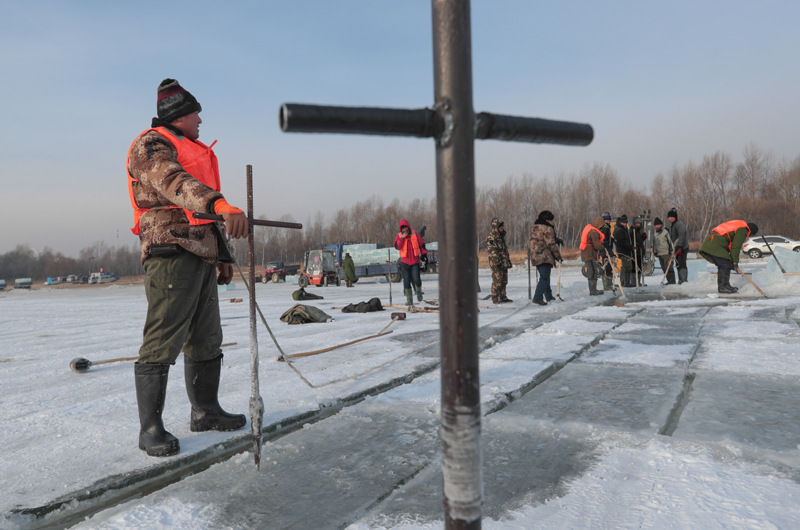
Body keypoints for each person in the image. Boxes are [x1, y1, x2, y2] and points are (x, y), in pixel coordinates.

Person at [127, 79, 249, 457]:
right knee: (163, 338)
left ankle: (206, 410)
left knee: (207, 336)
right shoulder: (151, 145)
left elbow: (203, 213)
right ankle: (150, 429)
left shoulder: (190, 146)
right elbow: (175, 183)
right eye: (196, 112)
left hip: (200, 252)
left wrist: (223, 256)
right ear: (179, 115)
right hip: (171, 249)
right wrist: (220, 203)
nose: (200, 119)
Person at [699, 220, 758, 293]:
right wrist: (735, 261)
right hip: (715, 245)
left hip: (712, 243)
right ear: (751, 232)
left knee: (726, 263)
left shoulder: (740, 225)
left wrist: (732, 262)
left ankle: (726, 285)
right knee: (725, 264)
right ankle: (723, 287)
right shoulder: (743, 230)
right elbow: (736, 246)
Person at [528, 210, 561, 305]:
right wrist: (557, 256)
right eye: (549, 220)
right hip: (544, 256)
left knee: (544, 277)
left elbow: (541, 239)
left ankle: (549, 297)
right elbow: (550, 243)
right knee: (545, 278)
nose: (550, 222)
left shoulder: (535, 228)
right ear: (546, 219)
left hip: (535, 256)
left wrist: (556, 239)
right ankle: (537, 297)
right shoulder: (547, 228)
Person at [394, 219, 427, 305]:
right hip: (404, 263)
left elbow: (422, 245)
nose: (404, 230)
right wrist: (402, 238)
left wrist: (424, 255)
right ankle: (409, 300)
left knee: (417, 280)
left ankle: (419, 293)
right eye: (403, 229)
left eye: (406, 228)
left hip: (414, 262)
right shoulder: (399, 237)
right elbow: (397, 246)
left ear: (408, 228)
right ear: (401, 229)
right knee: (406, 281)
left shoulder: (414, 234)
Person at [487, 217, 513, 304]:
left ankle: (503, 297)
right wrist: (497, 262)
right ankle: (495, 298)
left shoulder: (501, 237)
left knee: (504, 280)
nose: (502, 229)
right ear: (496, 228)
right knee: (497, 280)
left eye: (502, 227)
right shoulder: (492, 238)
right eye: (500, 227)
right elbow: (492, 251)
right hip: (496, 263)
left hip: (503, 262)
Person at [581, 217, 606, 296]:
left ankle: (593, 289)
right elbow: (597, 246)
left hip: (587, 253)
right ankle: (592, 291)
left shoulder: (590, 229)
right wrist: (603, 246)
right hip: (589, 254)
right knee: (592, 271)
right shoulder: (594, 232)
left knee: (593, 270)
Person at [666, 208, 689, 284]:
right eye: (670, 217)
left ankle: (683, 280)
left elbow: (681, 236)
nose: (671, 218)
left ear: (675, 217)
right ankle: (680, 280)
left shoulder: (679, 224)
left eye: (673, 217)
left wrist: (679, 246)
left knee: (682, 263)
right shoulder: (671, 225)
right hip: (676, 248)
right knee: (678, 264)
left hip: (682, 247)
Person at [652, 218, 676, 284]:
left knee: (669, 267)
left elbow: (671, 241)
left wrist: (672, 251)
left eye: (658, 225)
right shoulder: (655, 232)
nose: (657, 226)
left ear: (661, 225)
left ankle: (672, 281)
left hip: (667, 253)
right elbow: (654, 243)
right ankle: (668, 280)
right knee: (664, 268)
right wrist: (655, 251)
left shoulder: (666, 231)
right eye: (656, 225)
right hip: (660, 253)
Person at [614, 215, 634, 287]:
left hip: (625, 251)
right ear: (620, 222)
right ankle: (626, 282)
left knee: (624, 267)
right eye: (623, 223)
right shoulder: (619, 230)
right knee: (627, 266)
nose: (625, 224)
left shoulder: (624, 229)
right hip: (623, 251)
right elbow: (621, 242)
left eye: (626, 222)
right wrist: (630, 246)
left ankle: (623, 282)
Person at [630, 216, 647, 286]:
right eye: (636, 223)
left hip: (639, 252)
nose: (638, 225)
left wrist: (643, 237)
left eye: (639, 224)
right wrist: (635, 245)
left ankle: (638, 281)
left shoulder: (639, 231)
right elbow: (631, 240)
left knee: (639, 267)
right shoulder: (632, 230)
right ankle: (634, 281)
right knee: (634, 267)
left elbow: (639, 241)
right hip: (634, 252)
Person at [599, 212, 615, 292]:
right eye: (606, 220)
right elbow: (603, 241)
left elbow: (608, 240)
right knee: (606, 267)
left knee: (609, 267)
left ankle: (609, 282)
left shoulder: (607, 228)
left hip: (608, 250)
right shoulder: (604, 229)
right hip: (604, 251)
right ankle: (606, 285)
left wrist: (612, 240)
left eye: (609, 220)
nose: (608, 222)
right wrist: (608, 251)